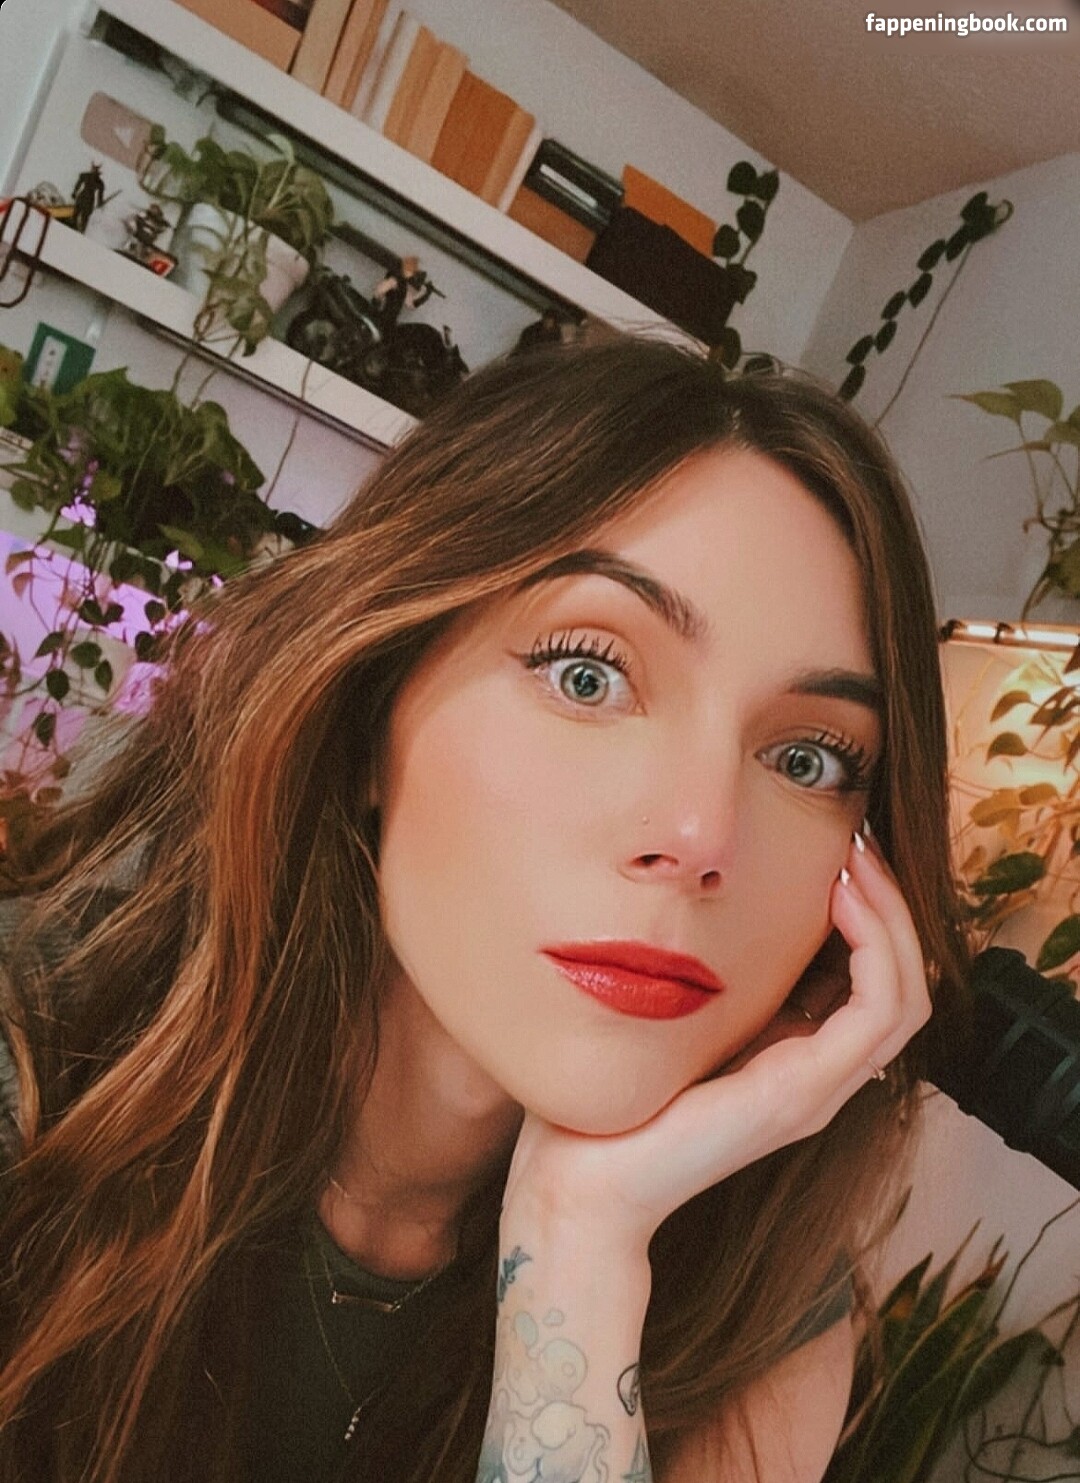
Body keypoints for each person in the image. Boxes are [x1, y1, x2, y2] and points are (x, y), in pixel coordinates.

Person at [0, 337, 969, 1483]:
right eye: (587, 675)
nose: (702, 835)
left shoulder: (759, 1305)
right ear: (371, 703)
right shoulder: (38, 1070)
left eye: (808, 758)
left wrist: (581, 1241)